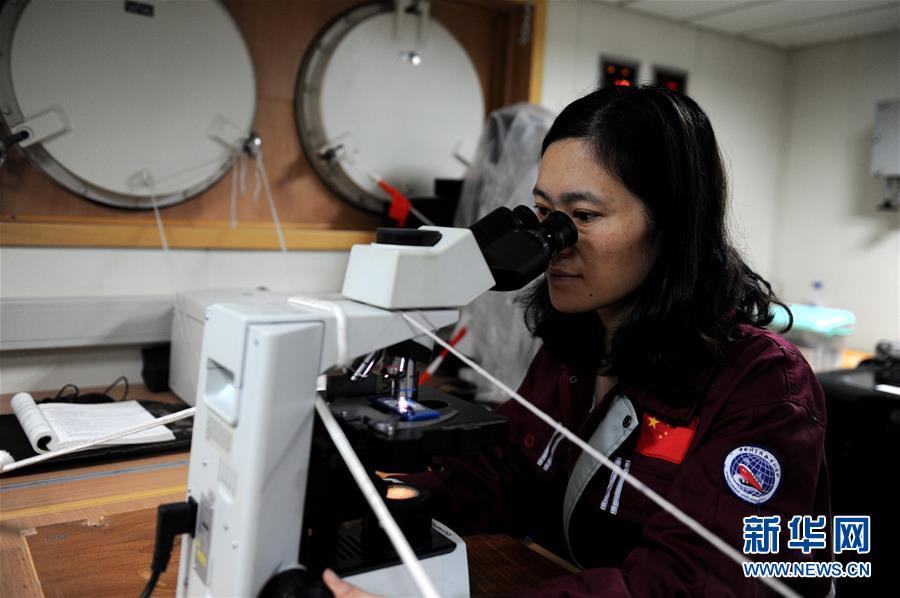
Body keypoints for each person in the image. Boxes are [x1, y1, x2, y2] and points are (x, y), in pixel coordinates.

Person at [324, 85, 831, 597]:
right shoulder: (576, 344)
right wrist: (377, 497)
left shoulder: (762, 386)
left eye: (583, 217)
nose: (553, 243)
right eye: (543, 214)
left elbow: (694, 583)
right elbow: (510, 472)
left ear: (672, 227)